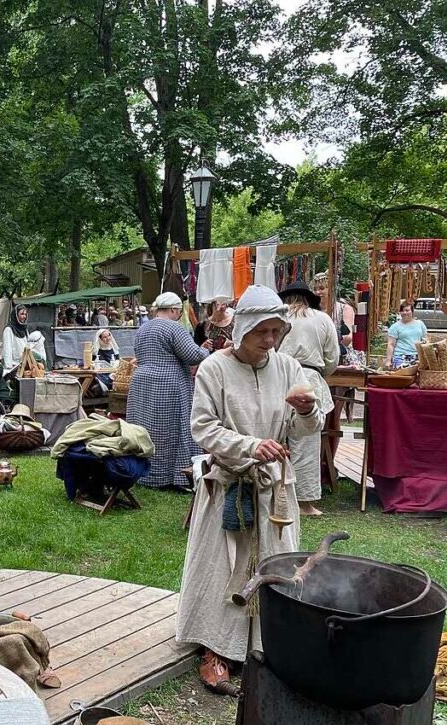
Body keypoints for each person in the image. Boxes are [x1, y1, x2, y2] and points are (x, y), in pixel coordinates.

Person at [176, 284, 322, 692]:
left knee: (277, 564)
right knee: (224, 568)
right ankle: (215, 649)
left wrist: (308, 412)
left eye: (277, 332)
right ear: (243, 330)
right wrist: (250, 446)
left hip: (274, 490)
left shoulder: (289, 368)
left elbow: (303, 428)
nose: (271, 341)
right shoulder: (214, 368)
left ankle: (269, 644)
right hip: (230, 483)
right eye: (263, 332)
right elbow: (203, 427)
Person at [127, 292, 209, 489]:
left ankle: (142, 472)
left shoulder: (143, 328)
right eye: (180, 312)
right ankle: (172, 477)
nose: (180, 316)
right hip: (168, 383)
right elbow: (192, 356)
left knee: (144, 428)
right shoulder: (174, 328)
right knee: (170, 430)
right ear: (173, 310)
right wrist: (205, 350)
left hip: (141, 382)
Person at [276, 280, 339, 517]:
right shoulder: (322, 319)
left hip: (278, 376)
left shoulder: (279, 317)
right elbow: (332, 357)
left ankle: (274, 492)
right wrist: (320, 373)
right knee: (306, 442)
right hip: (308, 377)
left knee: (275, 435)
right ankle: (303, 503)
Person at [386, 301, 428, 369]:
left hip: (417, 356)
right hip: (400, 356)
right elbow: (391, 344)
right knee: (406, 374)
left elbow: (425, 340)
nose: (404, 313)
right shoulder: (395, 327)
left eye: (407, 310)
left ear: (412, 311)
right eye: (402, 311)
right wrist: (388, 361)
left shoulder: (420, 324)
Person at [2, 303, 37, 376]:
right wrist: (8, 367)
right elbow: (7, 349)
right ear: (16, 315)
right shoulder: (9, 329)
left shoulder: (24, 329)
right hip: (14, 366)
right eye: (22, 314)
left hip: (25, 364)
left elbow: (28, 346)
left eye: (25, 314)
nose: (24, 316)